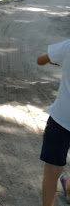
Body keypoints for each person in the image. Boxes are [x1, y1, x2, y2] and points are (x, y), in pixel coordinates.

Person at [37, 39, 70, 206]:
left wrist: (54, 58)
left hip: (62, 118)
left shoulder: (68, 46)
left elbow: (40, 60)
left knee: (52, 169)